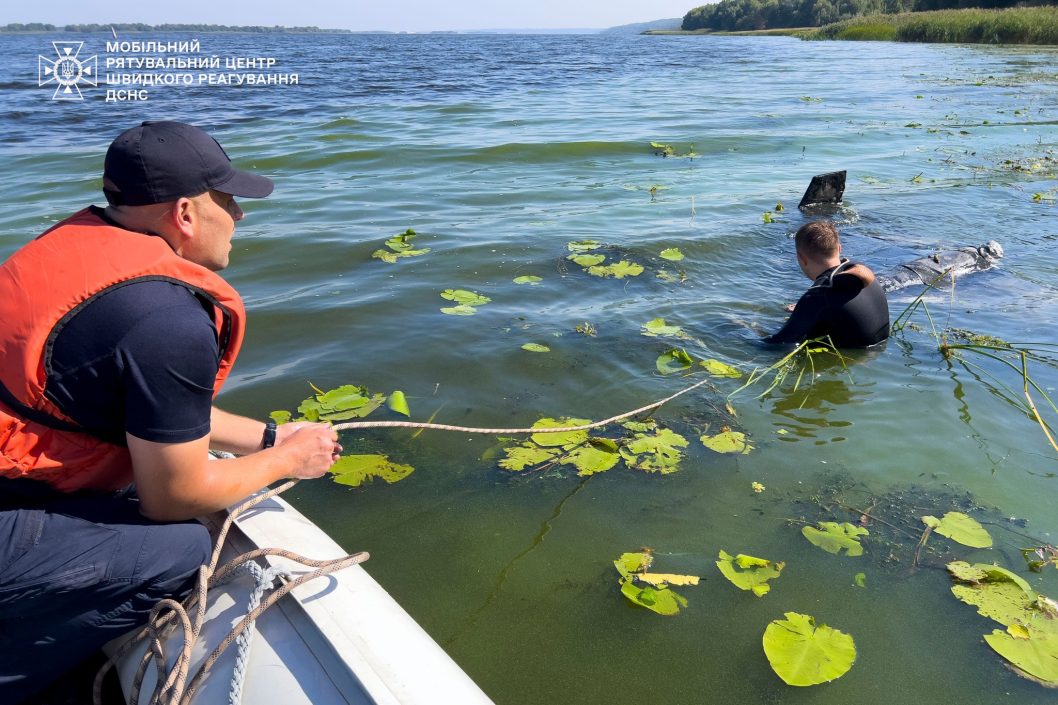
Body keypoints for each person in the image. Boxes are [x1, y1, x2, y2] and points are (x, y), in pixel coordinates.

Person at [0, 120, 342, 703]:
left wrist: (269, 436)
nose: (239, 215)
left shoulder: (68, 252)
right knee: (182, 547)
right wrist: (289, 461)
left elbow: (150, 414)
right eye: (228, 201)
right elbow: (173, 496)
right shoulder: (167, 321)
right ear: (185, 213)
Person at [763, 220, 889, 347]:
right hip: (881, 346)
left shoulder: (817, 296)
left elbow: (778, 344)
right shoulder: (860, 271)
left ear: (800, 258)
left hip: (851, 354)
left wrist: (749, 330)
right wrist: (808, 309)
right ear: (839, 248)